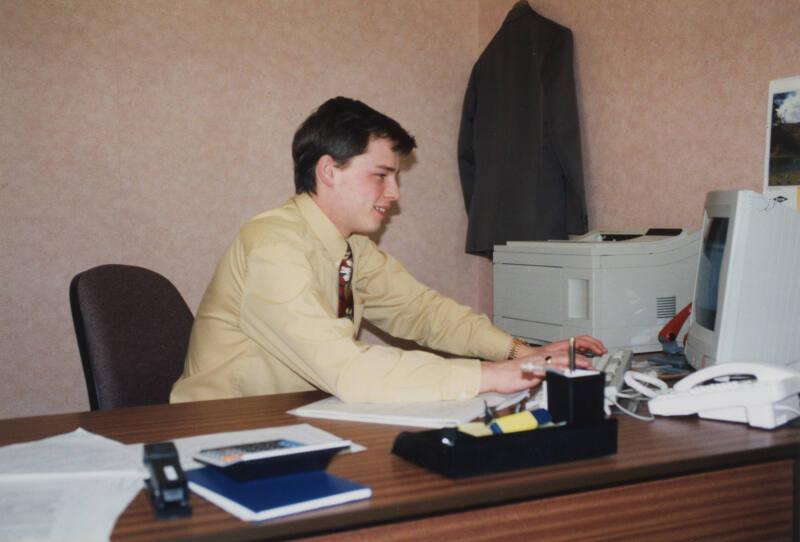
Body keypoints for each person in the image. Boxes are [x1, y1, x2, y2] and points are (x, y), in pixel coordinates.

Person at [170, 97, 605, 404]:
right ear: (329, 171)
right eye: (381, 175)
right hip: (220, 432)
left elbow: (422, 312)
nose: (394, 192)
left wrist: (519, 353)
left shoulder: (350, 247)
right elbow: (347, 369)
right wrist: (489, 376)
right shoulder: (272, 245)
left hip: (294, 420)